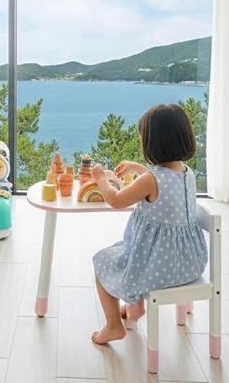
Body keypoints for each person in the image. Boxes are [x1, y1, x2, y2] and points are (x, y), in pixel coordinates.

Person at [89, 103, 208, 345]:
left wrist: (101, 179)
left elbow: (116, 200)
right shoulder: (187, 173)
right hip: (190, 264)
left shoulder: (151, 180)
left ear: (153, 143)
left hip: (158, 269)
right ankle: (135, 309)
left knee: (103, 260)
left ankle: (113, 326)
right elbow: (161, 185)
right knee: (130, 252)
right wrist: (139, 169)